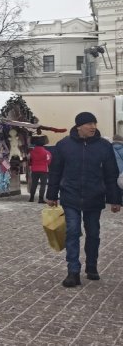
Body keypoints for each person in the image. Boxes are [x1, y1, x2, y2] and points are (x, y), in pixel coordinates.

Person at [46, 112, 121, 288]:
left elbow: (111, 174)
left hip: (95, 196)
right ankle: (73, 271)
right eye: (89, 124)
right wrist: (51, 195)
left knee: (93, 233)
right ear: (79, 126)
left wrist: (115, 199)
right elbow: (55, 171)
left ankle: (92, 265)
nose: (93, 127)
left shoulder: (104, 146)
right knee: (72, 231)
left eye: (94, 123)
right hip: (70, 195)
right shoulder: (64, 145)